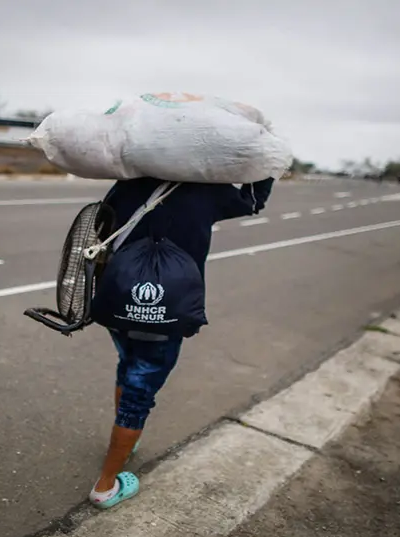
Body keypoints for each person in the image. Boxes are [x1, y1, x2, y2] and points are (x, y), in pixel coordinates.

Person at [87, 177, 274, 509]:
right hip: (165, 311)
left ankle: (125, 444)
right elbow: (253, 201)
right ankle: (105, 487)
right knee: (139, 393)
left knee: (127, 365)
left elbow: (103, 222)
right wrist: (267, 169)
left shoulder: (129, 181)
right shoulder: (208, 190)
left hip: (117, 300)